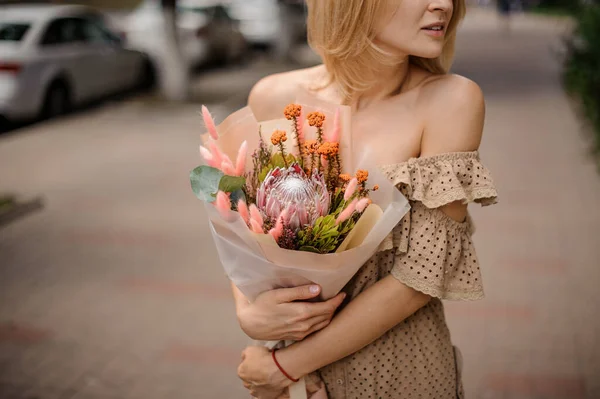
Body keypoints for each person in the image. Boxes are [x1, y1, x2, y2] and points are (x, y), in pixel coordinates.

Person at [233, 0, 499, 397]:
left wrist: (284, 367)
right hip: (294, 372)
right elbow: (245, 226)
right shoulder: (272, 97)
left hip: (398, 373)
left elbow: (422, 275)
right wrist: (248, 313)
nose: (443, 4)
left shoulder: (451, 101)